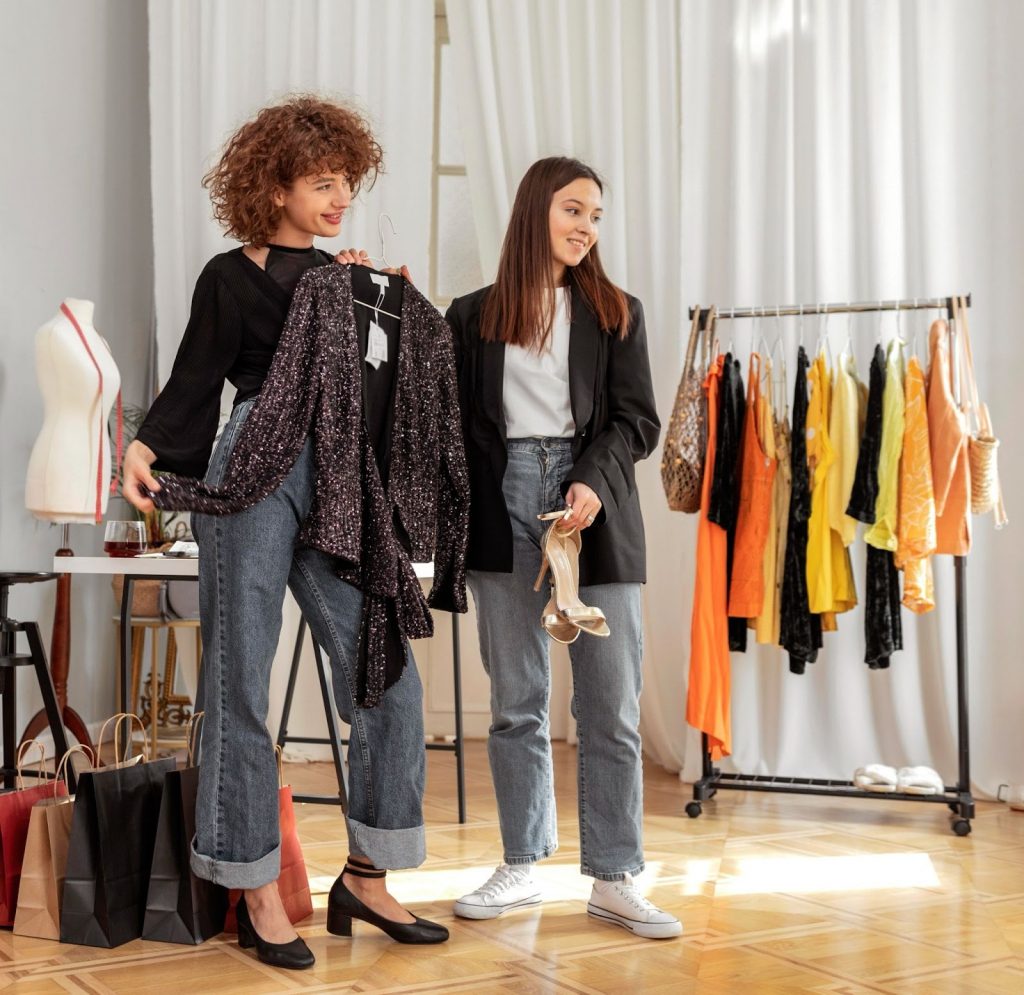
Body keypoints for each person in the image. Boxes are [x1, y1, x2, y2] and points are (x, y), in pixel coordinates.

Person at [123, 95, 449, 970]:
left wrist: (383, 308)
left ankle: (367, 876)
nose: (340, 197)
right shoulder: (229, 277)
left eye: (346, 181)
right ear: (274, 187)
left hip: (340, 474)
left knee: (384, 666)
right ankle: (252, 884)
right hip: (250, 469)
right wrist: (145, 445)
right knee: (239, 677)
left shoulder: (352, 283)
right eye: (322, 182)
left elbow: (388, 398)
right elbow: (195, 382)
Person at [445, 157, 680, 939]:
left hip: (593, 507)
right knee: (516, 702)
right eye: (574, 209)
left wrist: (589, 483)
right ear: (534, 212)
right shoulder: (471, 315)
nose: (586, 226)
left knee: (610, 703)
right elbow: (450, 426)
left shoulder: (617, 313)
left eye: (596, 216)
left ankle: (614, 876)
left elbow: (635, 421)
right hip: (499, 504)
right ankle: (520, 863)